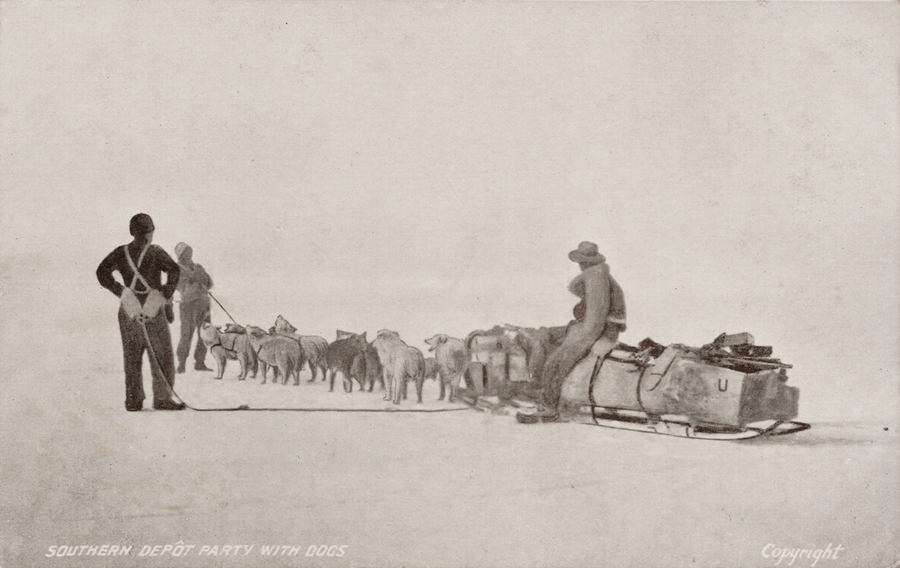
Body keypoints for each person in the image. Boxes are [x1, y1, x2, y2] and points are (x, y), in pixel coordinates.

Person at [517, 241, 626, 424]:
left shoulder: (596, 277)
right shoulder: (595, 274)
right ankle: (537, 385)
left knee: (557, 360)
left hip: (599, 330)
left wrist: (576, 341)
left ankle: (549, 406)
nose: (580, 264)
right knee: (543, 336)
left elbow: (595, 321)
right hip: (586, 325)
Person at [96, 213, 184, 411]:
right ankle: (162, 398)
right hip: (153, 308)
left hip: (129, 310)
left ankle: (133, 400)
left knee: (132, 356)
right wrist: (164, 293)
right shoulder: (156, 252)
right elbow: (174, 271)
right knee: (162, 355)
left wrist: (121, 291)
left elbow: (102, 272)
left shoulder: (121, 252)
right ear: (149, 233)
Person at [173, 242, 214, 373]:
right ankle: (181, 363)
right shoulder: (176, 268)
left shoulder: (198, 267)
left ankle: (200, 362)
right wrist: (193, 282)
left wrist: (202, 281)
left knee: (205, 333)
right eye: (185, 252)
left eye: (189, 251)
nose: (188, 254)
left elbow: (210, 283)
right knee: (186, 334)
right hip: (188, 305)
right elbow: (178, 286)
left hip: (203, 304)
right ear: (180, 255)